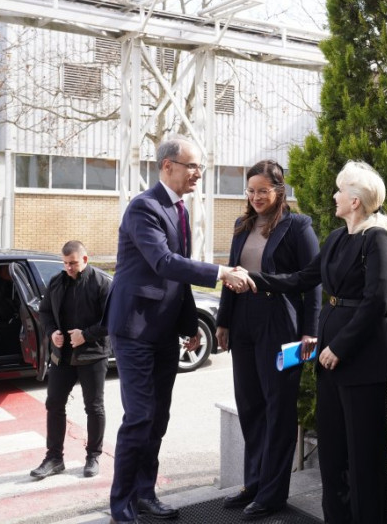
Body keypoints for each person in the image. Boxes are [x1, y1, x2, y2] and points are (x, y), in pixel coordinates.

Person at [239, 160, 387, 524]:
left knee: (365, 457)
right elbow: (301, 278)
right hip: (330, 360)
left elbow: (376, 301)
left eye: (340, 191)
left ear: (355, 200)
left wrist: (339, 347)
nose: (334, 196)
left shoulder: (377, 239)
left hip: (361, 360)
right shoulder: (337, 238)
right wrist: (253, 279)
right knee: (332, 454)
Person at [106, 135, 250, 524]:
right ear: (167, 166)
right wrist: (221, 272)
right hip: (134, 329)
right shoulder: (144, 207)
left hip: (164, 332)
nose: (198, 173)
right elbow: (165, 262)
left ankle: (145, 494)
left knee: (158, 418)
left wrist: (190, 325)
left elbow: (178, 278)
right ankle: (121, 505)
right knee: (139, 416)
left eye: (200, 166)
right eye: (193, 166)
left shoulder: (179, 210)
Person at [215, 160, 322, 520]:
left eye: (263, 190)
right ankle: (254, 484)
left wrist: (310, 330)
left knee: (278, 408)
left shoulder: (298, 226)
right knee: (249, 405)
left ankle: (272, 494)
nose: (256, 197)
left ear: (279, 190)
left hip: (280, 324)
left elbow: (313, 282)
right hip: (242, 322)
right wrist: (223, 321)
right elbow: (232, 273)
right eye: (251, 191)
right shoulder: (242, 224)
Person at [30, 240, 110, 481]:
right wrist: (51, 332)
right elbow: (45, 312)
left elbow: (113, 320)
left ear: (85, 259)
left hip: (92, 354)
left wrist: (86, 335)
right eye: (65, 263)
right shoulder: (57, 281)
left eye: (73, 263)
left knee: (93, 407)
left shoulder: (102, 283)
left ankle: (93, 456)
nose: (68, 268)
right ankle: (54, 458)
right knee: (54, 404)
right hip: (62, 356)